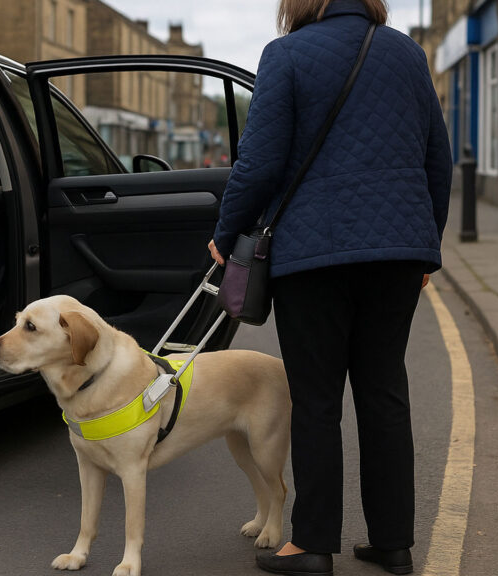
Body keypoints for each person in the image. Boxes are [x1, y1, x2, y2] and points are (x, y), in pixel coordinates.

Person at [207, 0, 452, 574]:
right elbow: (437, 159)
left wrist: (226, 232)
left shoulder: (285, 54)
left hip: (311, 257)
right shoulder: (405, 52)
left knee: (316, 401)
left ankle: (312, 545)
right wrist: (425, 248)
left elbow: (260, 162)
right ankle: (393, 543)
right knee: (384, 394)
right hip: (396, 254)